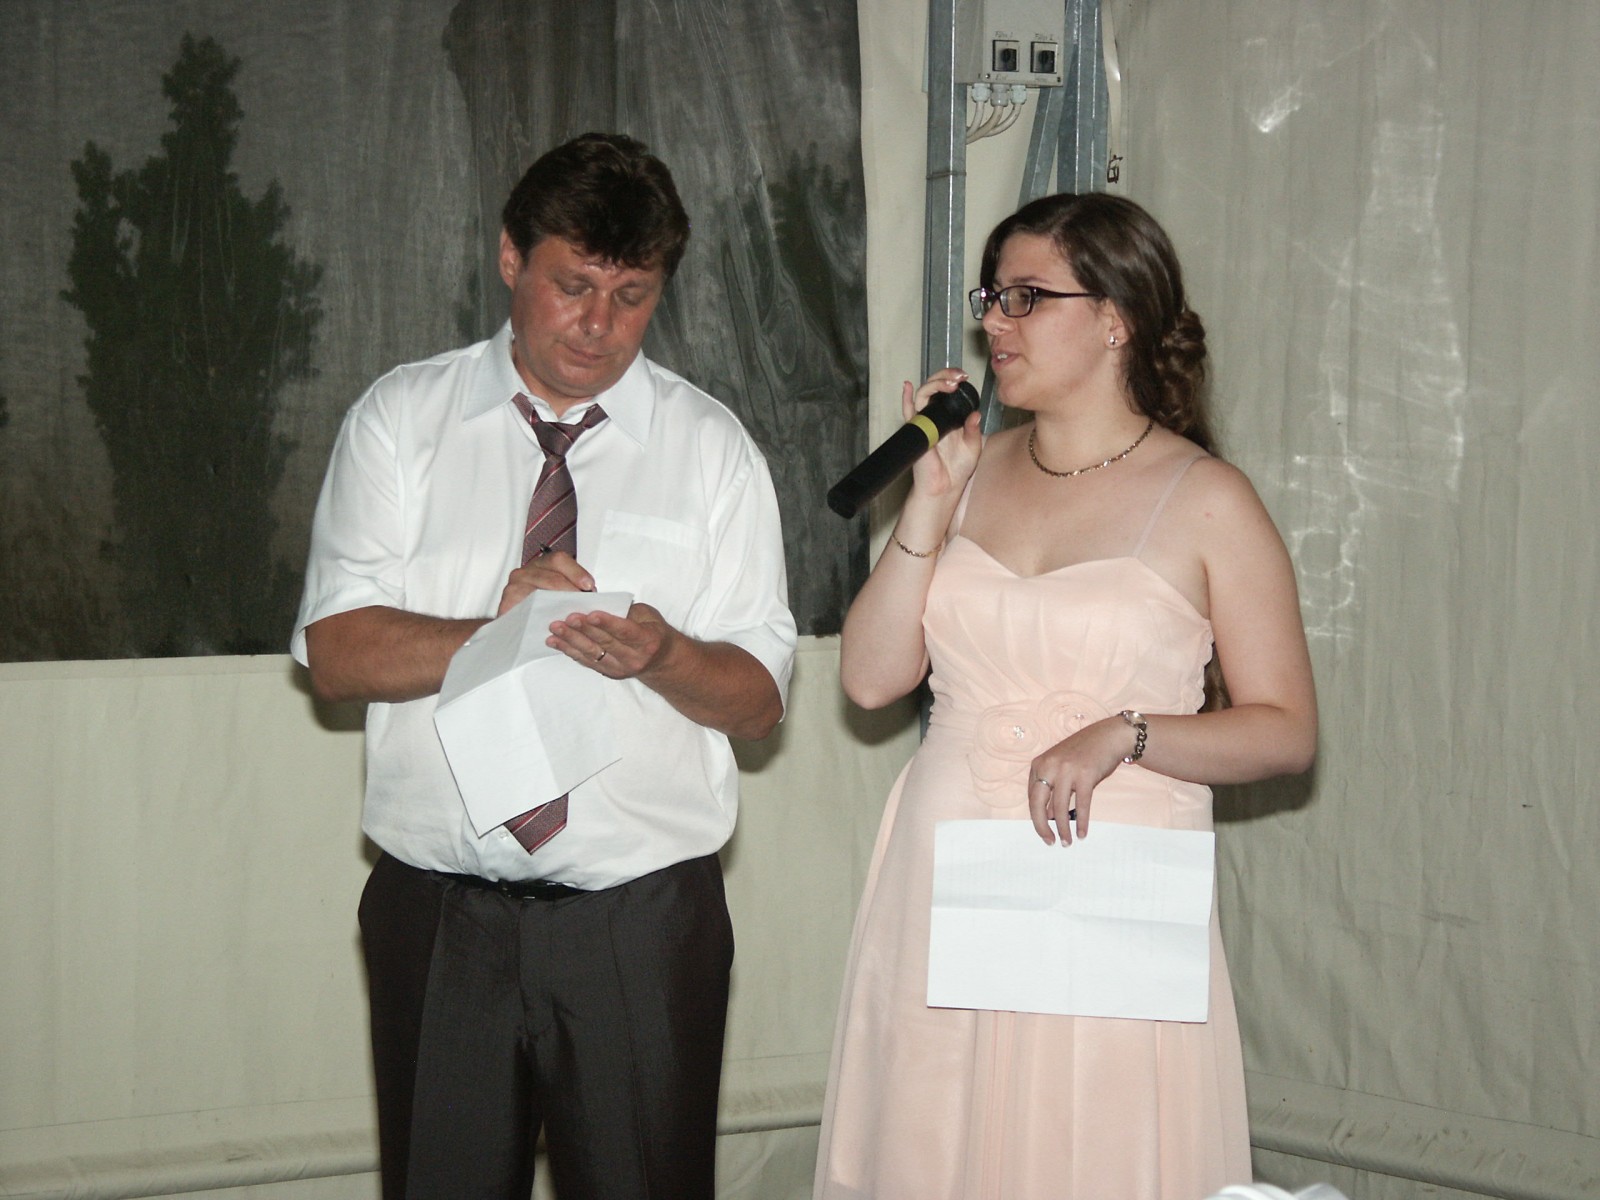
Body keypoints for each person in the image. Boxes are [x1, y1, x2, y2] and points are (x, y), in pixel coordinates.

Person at [292, 132, 797, 1200]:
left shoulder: (711, 449)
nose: (598, 325)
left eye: (632, 296)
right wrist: (492, 625)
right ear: (511, 258)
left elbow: (759, 703)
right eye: (573, 287)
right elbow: (334, 654)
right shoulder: (402, 421)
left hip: (640, 920)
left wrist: (665, 654)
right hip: (440, 916)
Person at [812, 192, 1317, 1200]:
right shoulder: (966, 471)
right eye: (990, 299)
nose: (994, 324)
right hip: (948, 862)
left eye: (1025, 298)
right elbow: (869, 679)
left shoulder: (1207, 497)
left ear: (1116, 317)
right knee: (933, 1140)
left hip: (1107, 876)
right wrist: (930, 501)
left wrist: (1125, 733)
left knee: (1087, 1144)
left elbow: (1286, 732)